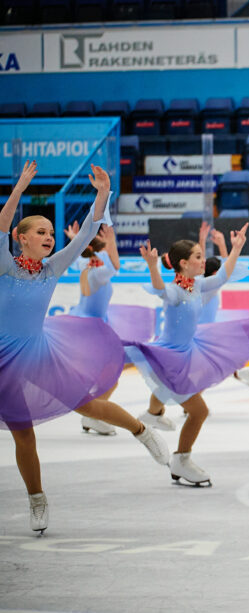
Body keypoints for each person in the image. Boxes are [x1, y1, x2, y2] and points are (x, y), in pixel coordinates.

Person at [0, 161, 169, 534]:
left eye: (50, 233)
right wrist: (19, 190)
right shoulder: (5, 267)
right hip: (3, 359)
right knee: (23, 433)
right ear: (20, 237)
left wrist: (103, 192)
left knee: (83, 405)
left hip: (39, 354)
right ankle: (36, 498)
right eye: (40, 232)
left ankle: (142, 431)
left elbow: (88, 232)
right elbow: (1, 222)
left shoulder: (52, 268)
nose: (48, 237)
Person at [126, 223, 249, 486]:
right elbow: (161, 289)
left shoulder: (196, 285)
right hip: (171, 358)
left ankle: (153, 417)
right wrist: (152, 266)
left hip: (188, 352)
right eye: (198, 256)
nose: (202, 260)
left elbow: (222, 277)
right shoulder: (174, 290)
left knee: (188, 404)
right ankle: (181, 459)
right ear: (183, 263)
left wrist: (236, 248)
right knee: (199, 412)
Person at [65, 223, 156, 435]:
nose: (108, 251)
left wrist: (76, 239)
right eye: (104, 248)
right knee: (112, 372)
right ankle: (93, 414)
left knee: (111, 373)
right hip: (92, 330)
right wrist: (111, 242)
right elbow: (115, 266)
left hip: (92, 327)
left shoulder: (86, 266)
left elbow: (89, 257)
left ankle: (93, 412)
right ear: (98, 252)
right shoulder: (97, 273)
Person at [197, 221, 249, 325]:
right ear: (215, 273)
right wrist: (224, 245)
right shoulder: (211, 287)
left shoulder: (199, 280)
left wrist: (202, 240)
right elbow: (227, 269)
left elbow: (201, 263)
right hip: (204, 332)